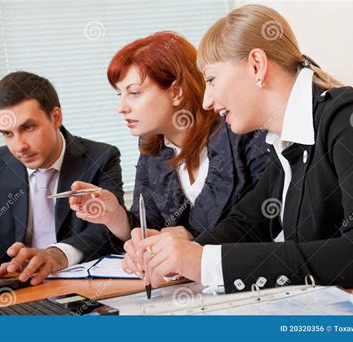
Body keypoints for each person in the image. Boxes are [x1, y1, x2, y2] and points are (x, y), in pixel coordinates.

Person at [127, 4, 353, 293]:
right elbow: (247, 223)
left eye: (211, 79)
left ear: (256, 65)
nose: (206, 101)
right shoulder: (283, 141)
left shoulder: (352, 123)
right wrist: (176, 256)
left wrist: (205, 261)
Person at [69, 31, 270, 277]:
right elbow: (151, 227)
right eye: (119, 94)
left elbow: (267, 224)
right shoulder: (153, 150)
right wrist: (116, 217)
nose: (121, 107)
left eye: (134, 93)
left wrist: (192, 239)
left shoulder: (242, 131)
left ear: (176, 92)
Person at [0, 71, 124, 285]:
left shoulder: (101, 158)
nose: (19, 146)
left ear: (56, 117)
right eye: (7, 134)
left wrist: (58, 254)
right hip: (15, 287)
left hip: (81, 287)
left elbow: (110, 230)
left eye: (28, 128)